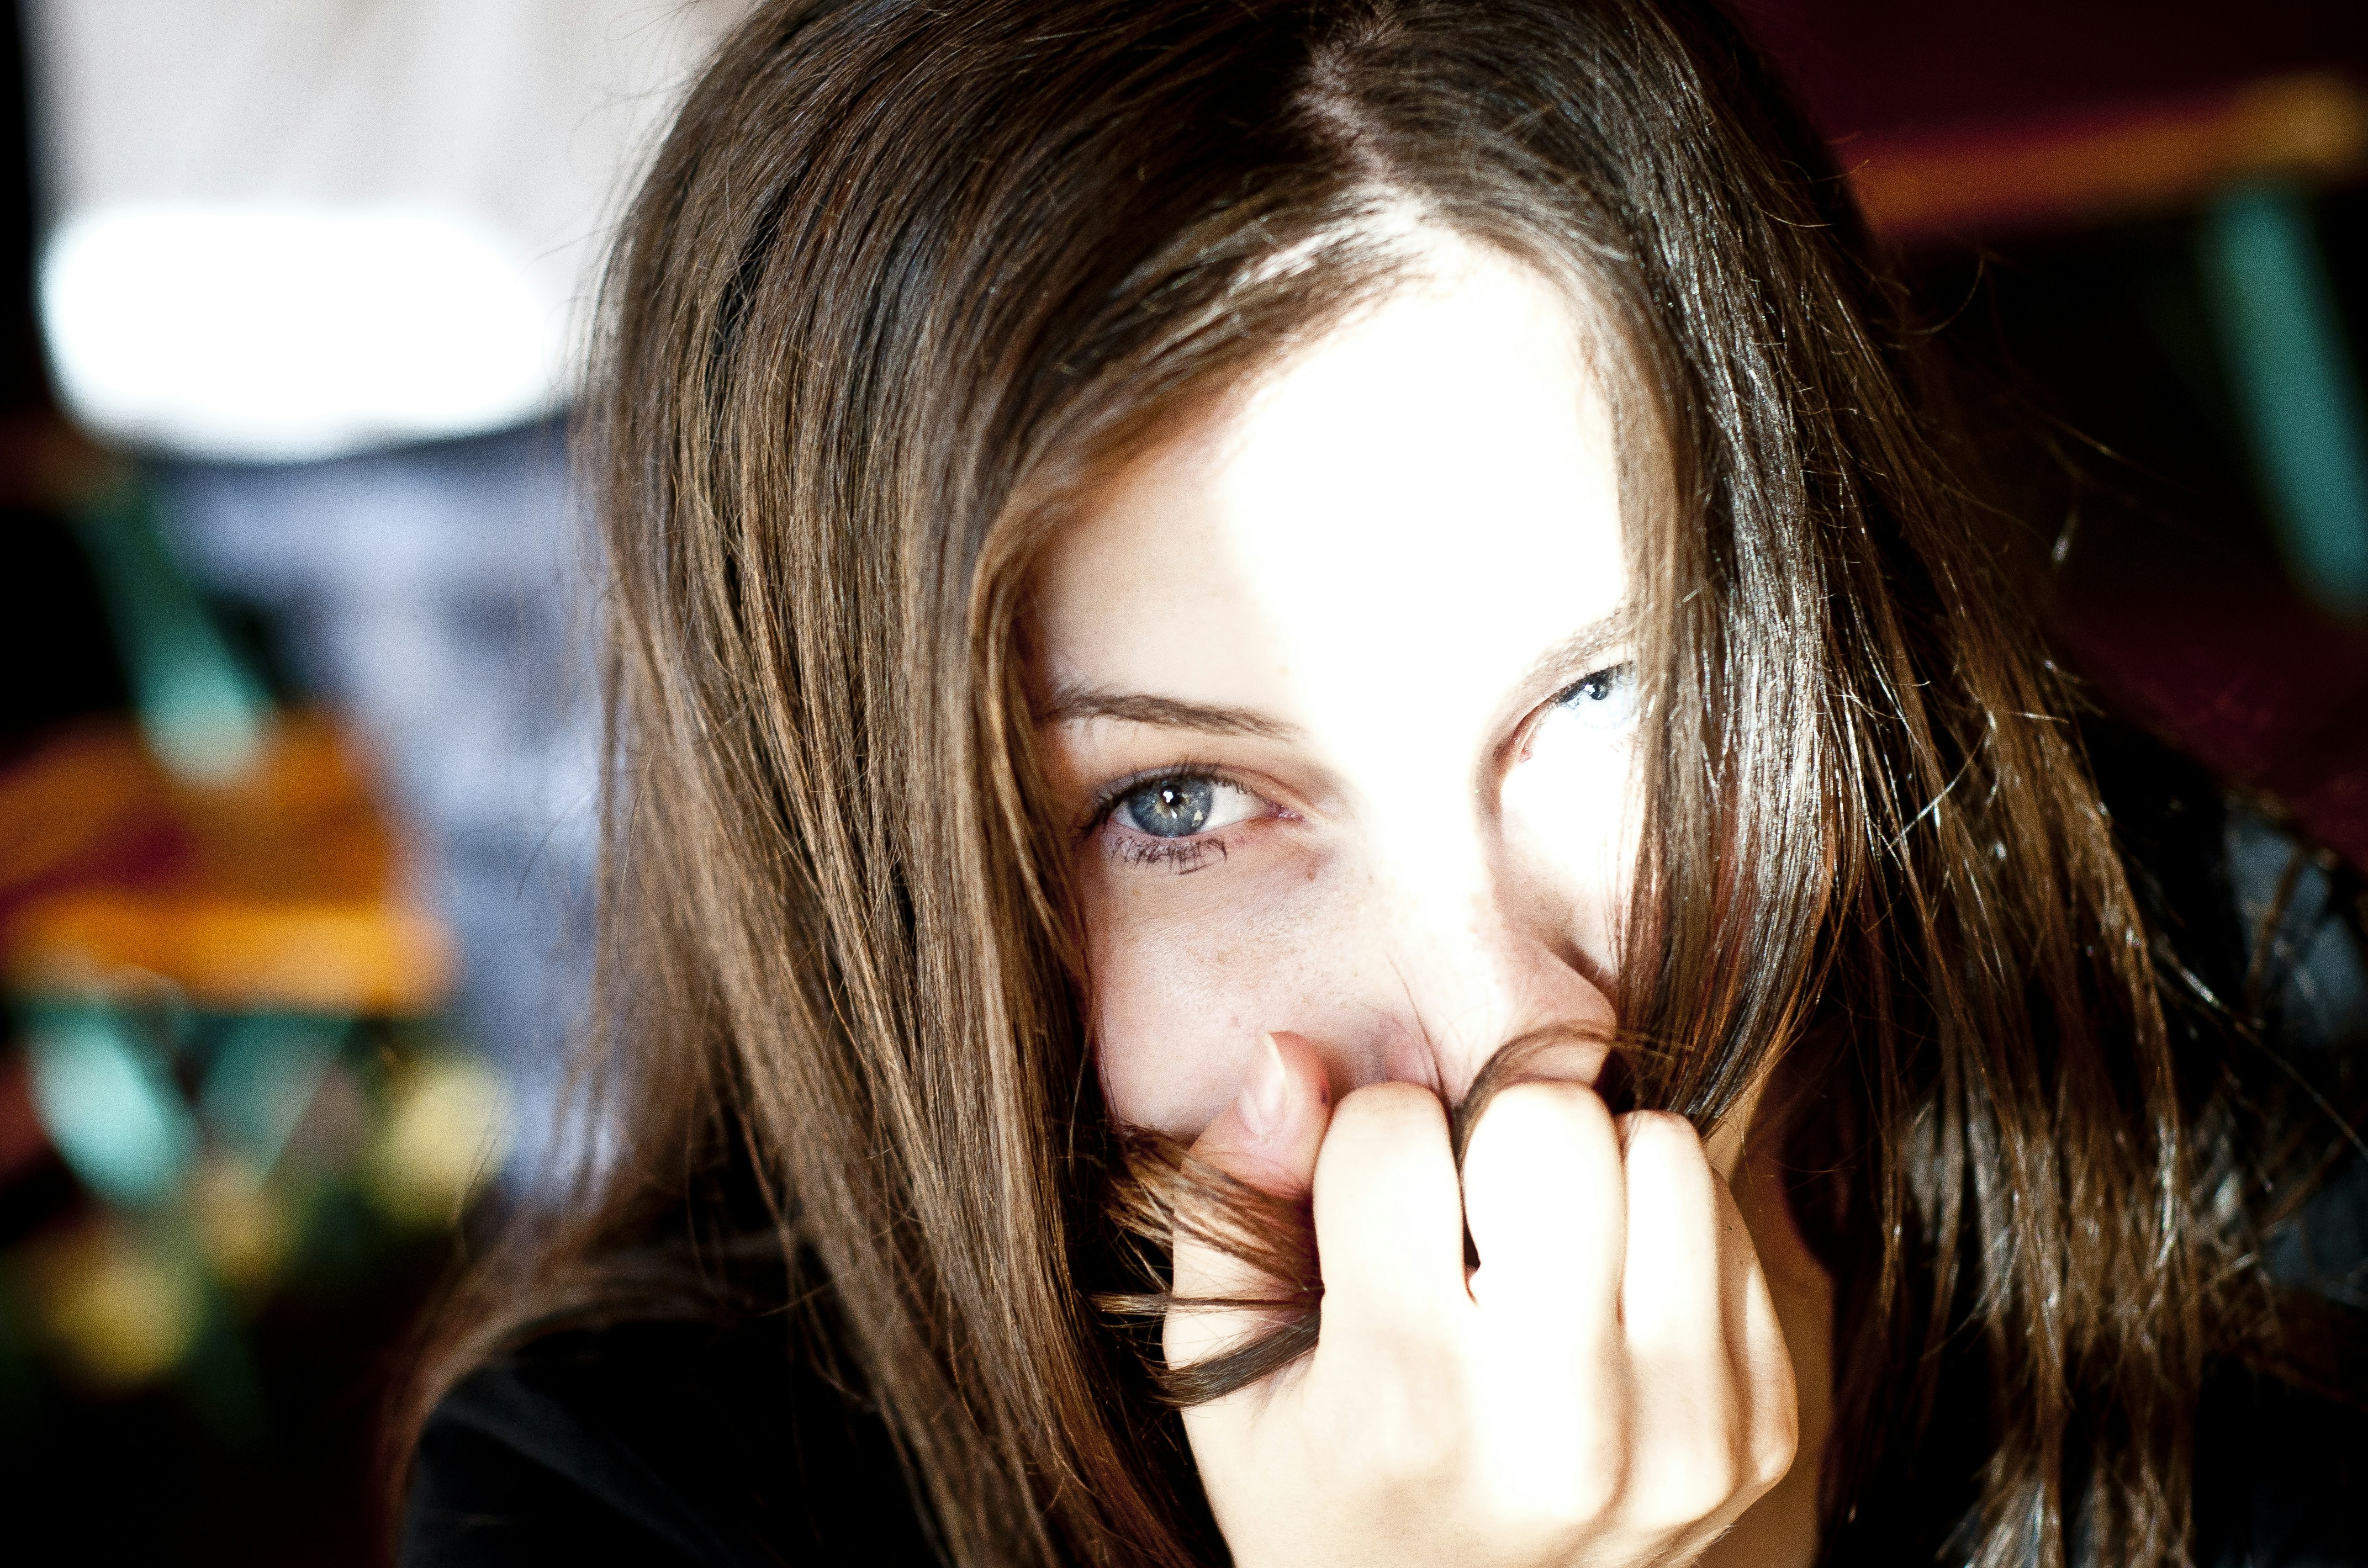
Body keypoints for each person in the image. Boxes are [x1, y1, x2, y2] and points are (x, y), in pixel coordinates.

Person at [397, 3, 2368, 1565]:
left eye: (1606, 690)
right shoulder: (623, 1495)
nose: (1518, 1034)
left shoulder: (2247, 1085)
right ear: (888, 881)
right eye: (1177, 804)